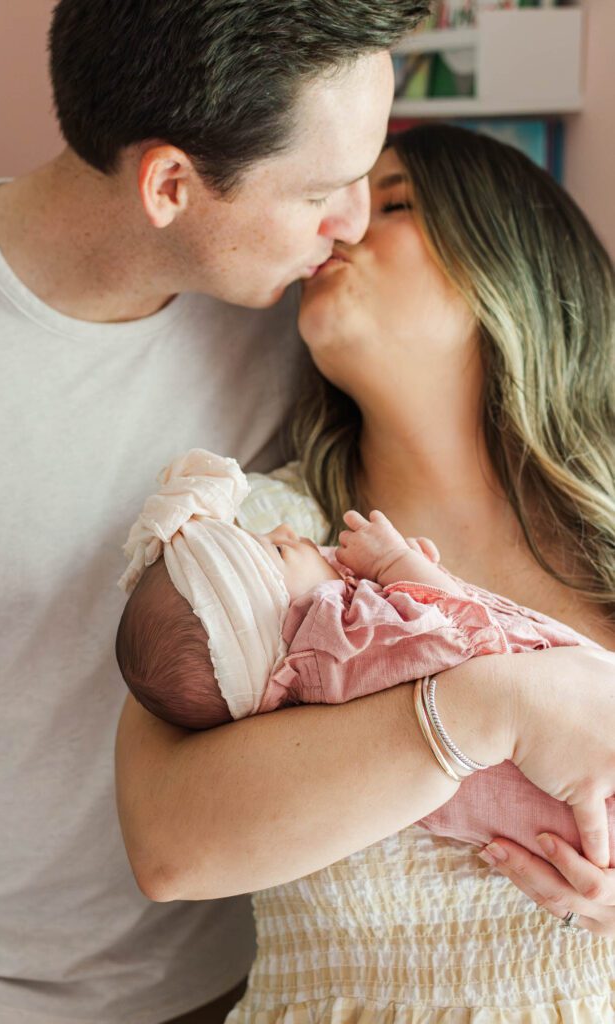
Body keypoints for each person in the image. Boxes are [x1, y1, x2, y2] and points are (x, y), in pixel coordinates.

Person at [0, 0, 432, 1021]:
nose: (351, 228)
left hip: (256, 973)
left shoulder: (314, 319)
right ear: (169, 183)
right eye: (324, 191)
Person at [116, 124, 615, 1018]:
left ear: (513, 261)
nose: (340, 230)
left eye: (392, 204)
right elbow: (168, 847)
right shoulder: (261, 544)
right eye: (330, 203)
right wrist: (485, 706)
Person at [113, 446, 611, 857]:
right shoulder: (332, 644)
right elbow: (463, 643)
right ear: (277, 629)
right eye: (279, 551)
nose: (289, 533)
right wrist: (400, 567)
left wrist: (410, 583)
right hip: (581, 788)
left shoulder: (314, 689)